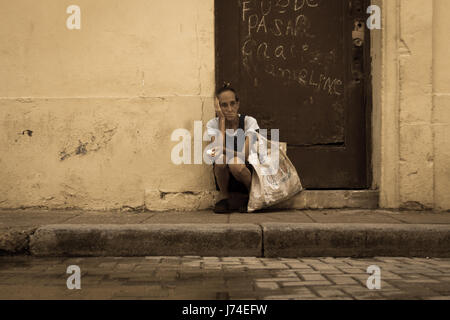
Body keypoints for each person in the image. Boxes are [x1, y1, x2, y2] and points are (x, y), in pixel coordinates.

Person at [206, 84, 260, 214]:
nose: (230, 109)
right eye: (224, 105)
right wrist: (222, 120)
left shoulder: (249, 122)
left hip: (245, 173)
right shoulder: (213, 124)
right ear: (218, 107)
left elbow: (244, 155)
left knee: (235, 163)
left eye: (232, 103)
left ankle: (252, 196)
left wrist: (222, 149)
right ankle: (224, 198)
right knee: (220, 159)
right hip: (226, 178)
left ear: (238, 104)